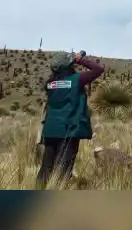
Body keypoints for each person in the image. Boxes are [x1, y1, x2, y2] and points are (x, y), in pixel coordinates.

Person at [36, 50, 103, 188]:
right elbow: (98, 69)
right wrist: (79, 59)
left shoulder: (49, 84)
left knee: (46, 167)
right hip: (69, 130)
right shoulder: (77, 80)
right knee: (63, 170)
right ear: (69, 65)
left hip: (50, 130)